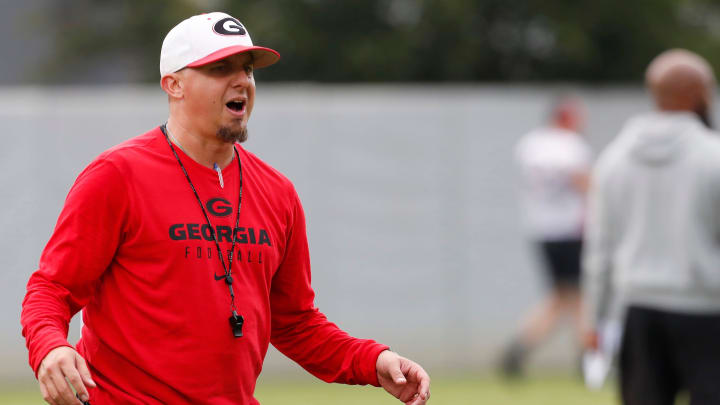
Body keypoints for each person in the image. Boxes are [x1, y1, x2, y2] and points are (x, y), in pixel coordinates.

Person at [20, 12, 430, 405]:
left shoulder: (278, 193)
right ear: (174, 85)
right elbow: (50, 289)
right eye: (220, 69)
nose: (242, 82)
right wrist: (50, 349)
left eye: (248, 69)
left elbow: (294, 322)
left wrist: (373, 361)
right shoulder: (116, 176)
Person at [583, 49, 720, 405]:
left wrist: (595, 318)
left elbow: (599, 249)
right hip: (705, 307)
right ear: (700, 94)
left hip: (638, 310)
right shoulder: (712, 156)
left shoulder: (614, 159)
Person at [501, 97, 592, 377]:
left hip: (541, 228)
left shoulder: (531, 145)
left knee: (565, 295)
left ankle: (521, 348)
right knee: (574, 295)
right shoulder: (571, 146)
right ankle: (589, 358)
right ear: (567, 117)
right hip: (569, 228)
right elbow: (584, 183)